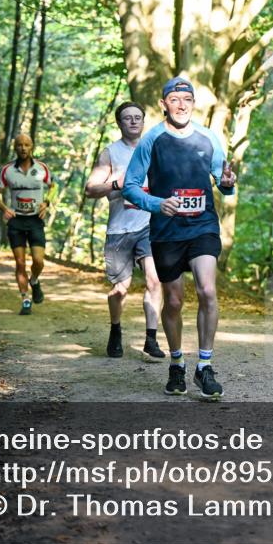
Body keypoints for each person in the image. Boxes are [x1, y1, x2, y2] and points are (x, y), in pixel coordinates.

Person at [124, 77, 237, 400]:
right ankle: (177, 363)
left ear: (193, 103)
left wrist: (228, 182)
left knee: (207, 290)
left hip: (202, 226)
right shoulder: (152, 140)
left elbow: (223, 181)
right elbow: (131, 186)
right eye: (175, 99)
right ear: (164, 104)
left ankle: (205, 366)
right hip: (166, 232)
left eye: (187, 99)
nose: (182, 104)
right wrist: (157, 204)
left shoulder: (209, 138)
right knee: (173, 301)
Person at [85, 102, 165, 360]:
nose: (133, 122)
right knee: (121, 289)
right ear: (119, 123)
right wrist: (118, 183)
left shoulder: (155, 150)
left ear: (143, 121)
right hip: (120, 230)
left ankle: (151, 339)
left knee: (155, 280)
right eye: (127, 118)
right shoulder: (111, 153)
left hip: (149, 227)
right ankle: (115, 329)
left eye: (137, 118)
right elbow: (90, 190)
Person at [0, 134, 53, 315]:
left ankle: (34, 281)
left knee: (38, 261)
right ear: (15, 148)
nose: (23, 148)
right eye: (19, 145)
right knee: (19, 262)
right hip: (16, 221)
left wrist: (47, 202)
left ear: (32, 146)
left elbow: (53, 186)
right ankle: (25, 299)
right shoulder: (7, 170)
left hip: (35, 220)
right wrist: (4, 208)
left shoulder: (42, 169)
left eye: (26, 145)